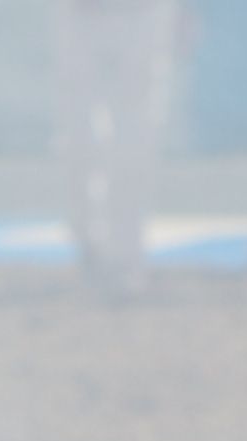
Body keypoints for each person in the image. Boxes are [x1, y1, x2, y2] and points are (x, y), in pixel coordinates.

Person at [55, 0, 171, 287]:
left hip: (140, 14)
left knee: (135, 136)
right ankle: (86, 235)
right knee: (79, 132)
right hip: (82, 15)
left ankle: (127, 248)